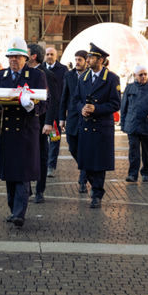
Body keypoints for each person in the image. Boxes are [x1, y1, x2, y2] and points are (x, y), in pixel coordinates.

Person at [0, 37, 46, 227]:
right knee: (10, 173)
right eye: (10, 57)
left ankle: (19, 212)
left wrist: (31, 107)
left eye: (17, 57)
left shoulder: (36, 76)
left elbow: (45, 103)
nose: (13, 61)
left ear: (25, 59)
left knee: (23, 173)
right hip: (7, 132)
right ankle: (13, 209)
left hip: (26, 132)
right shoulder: (1, 76)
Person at [74, 43, 121, 208]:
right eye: (88, 57)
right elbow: (76, 100)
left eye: (92, 57)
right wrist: (82, 109)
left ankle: (97, 194)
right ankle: (94, 187)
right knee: (87, 162)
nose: (88, 60)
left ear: (101, 60)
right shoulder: (83, 78)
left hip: (102, 127)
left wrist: (97, 109)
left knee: (99, 163)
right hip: (86, 125)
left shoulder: (112, 78)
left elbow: (116, 104)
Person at [120, 65, 148, 183]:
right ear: (135, 76)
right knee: (133, 151)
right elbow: (123, 107)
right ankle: (132, 174)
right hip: (132, 124)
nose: (143, 76)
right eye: (141, 75)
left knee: (147, 151)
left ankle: (146, 172)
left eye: (145, 74)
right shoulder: (129, 88)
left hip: (147, 124)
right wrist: (123, 124)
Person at [27, 43, 58, 204]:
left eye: (26, 53)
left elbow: (52, 101)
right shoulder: (25, 73)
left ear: (33, 56)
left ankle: (40, 190)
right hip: (27, 121)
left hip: (41, 122)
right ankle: (27, 187)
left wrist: (48, 123)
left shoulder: (47, 74)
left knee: (41, 156)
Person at [59, 50, 88, 193]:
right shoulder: (69, 75)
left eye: (80, 60)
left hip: (87, 118)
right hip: (72, 118)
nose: (77, 62)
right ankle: (85, 167)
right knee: (72, 147)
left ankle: (83, 179)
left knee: (84, 148)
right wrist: (61, 118)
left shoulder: (90, 75)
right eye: (76, 59)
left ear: (86, 61)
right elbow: (64, 97)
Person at [43, 46, 67, 178]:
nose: (49, 56)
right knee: (42, 139)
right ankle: (42, 163)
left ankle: (51, 165)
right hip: (43, 110)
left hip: (56, 111)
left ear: (56, 56)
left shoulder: (63, 70)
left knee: (54, 138)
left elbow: (65, 90)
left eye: (52, 54)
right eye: (47, 54)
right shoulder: (41, 69)